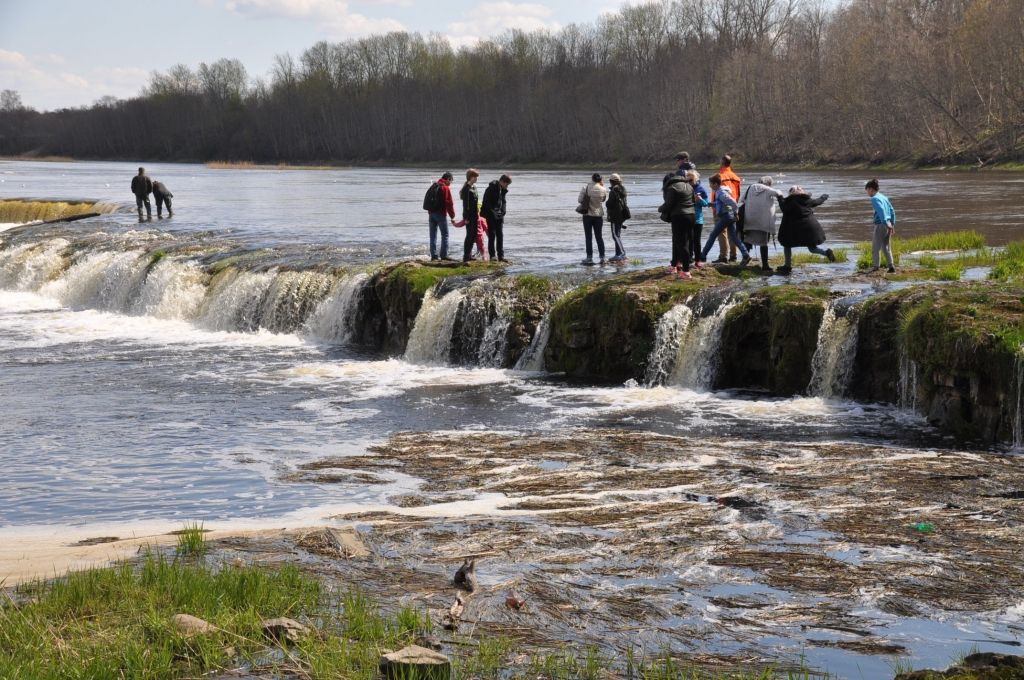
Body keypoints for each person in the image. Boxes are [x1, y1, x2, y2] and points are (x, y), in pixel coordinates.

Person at [775, 186, 835, 275]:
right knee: (812, 248)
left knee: (787, 245)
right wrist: (824, 196)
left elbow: (784, 209)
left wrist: (779, 197)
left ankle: (787, 266)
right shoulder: (806, 200)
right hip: (809, 228)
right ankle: (826, 252)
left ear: (790, 193)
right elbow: (818, 201)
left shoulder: (788, 202)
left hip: (793, 229)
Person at [701, 174, 750, 266]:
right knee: (734, 237)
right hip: (729, 216)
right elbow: (720, 203)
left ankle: (703, 256)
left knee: (713, 235)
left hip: (726, 217)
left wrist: (736, 213)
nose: (709, 186)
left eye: (710, 184)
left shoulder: (721, 193)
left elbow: (734, 203)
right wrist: (710, 204)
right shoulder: (720, 191)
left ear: (715, 184)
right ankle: (745, 255)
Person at [741, 176, 784, 272]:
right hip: (764, 221)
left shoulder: (750, 187)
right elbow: (778, 193)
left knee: (748, 240)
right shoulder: (768, 189)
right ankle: (765, 266)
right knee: (764, 243)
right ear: (769, 183)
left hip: (750, 219)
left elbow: (742, 200)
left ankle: (744, 261)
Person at [660, 171, 697, 279]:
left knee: (681, 244)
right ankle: (676, 265)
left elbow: (668, 204)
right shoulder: (689, 186)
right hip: (691, 216)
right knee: (683, 242)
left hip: (679, 217)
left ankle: (685, 271)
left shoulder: (672, 188)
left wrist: (660, 209)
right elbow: (693, 201)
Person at [711, 155, 742, 262]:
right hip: (733, 207)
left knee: (721, 232)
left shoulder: (719, 177)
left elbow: (717, 193)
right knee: (732, 232)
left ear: (723, 161)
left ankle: (723, 256)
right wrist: (735, 208)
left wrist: (714, 207)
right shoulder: (736, 177)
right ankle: (734, 255)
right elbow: (738, 194)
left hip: (721, 208)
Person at [865, 178, 896, 273]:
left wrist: (885, 222)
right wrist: (892, 223)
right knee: (886, 247)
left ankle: (876, 267)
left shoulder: (874, 198)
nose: (867, 193)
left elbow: (881, 210)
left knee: (875, 247)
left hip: (881, 225)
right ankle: (891, 266)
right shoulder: (883, 197)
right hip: (888, 224)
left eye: (867, 190)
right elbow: (892, 210)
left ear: (871, 189)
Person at [577, 173, 609, 265]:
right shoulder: (603, 188)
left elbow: (579, 200)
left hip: (587, 215)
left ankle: (589, 258)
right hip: (598, 215)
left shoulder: (585, 187)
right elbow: (603, 200)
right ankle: (602, 258)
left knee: (588, 237)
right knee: (599, 237)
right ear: (600, 179)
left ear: (592, 178)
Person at [425, 171, 456, 261]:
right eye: (451, 181)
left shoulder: (434, 185)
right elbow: (449, 203)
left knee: (433, 236)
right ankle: (444, 255)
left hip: (431, 214)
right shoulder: (445, 188)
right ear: (448, 179)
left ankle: (434, 256)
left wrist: (430, 212)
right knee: (445, 235)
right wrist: (452, 216)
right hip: (441, 215)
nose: (450, 183)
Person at [481, 174, 511, 262]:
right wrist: (494, 213)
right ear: (502, 181)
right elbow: (486, 202)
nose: (507, 186)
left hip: (499, 216)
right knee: (492, 235)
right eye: (506, 184)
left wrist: (503, 212)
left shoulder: (503, 190)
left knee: (500, 235)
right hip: (490, 215)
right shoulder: (491, 188)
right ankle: (492, 256)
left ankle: (501, 256)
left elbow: (503, 202)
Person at [686, 170, 710, 267]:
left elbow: (706, 204)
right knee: (688, 240)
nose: (689, 182)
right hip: (687, 217)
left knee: (696, 240)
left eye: (691, 180)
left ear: (696, 179)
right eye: (687, 180)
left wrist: (699, 200)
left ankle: (698, 260)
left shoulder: (701, 189)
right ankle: (689, 258)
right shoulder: (685, 188)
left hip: (698, 219)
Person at [605, 173, 630, 263]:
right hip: (622, 215)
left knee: (616, 235)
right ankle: (618, 254)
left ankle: (622, 254)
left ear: (611, 181)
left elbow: (610, 204)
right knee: (617, 234)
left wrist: (606, 203)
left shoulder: (614, 191)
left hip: (615, 216)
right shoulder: (623, 189)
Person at [460, 169, 481, 263]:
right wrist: (466, 218)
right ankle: (466, 256)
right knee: (469, 236)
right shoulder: (466, 189)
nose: (476, 178)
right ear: (470, 177)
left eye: (477, 177)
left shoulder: (474, 187)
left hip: (475, 215)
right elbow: (466, 205)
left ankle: (469, 255)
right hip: (469, 216)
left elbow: (476, 202)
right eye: (475, 176)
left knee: (473, 236)